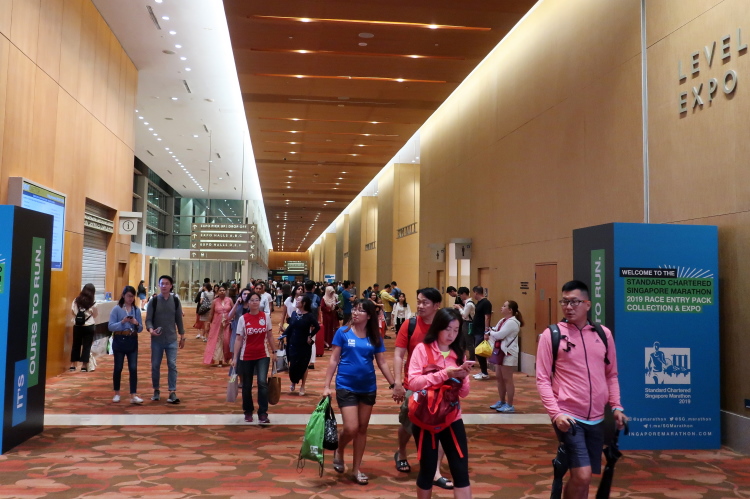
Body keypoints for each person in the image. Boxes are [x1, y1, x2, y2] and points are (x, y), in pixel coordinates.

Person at [536, 280, 628, 498]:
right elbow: (542, 379)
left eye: (574, 302)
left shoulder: (603, 334)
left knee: (584, 479)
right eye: (564, 302)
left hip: (596, 418)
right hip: (569, 418)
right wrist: (556, 413)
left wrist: (616, 406)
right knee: (583, 475)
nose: (568, 307)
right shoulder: (552, 335)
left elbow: (611, 374)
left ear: (587, 304)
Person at [322, 299, 396, 485]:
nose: (355, 313)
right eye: (354, 309)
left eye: (360, 310)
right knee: (351, 427)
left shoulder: (374, 336)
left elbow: (382, 362)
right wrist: (326, 385)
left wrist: (394, 384)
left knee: (362, 429)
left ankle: (356, 469)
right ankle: (339, 449)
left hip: (368, 387)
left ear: (369, 316)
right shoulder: (343, 332)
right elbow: (333, 359)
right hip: (346, 385)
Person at [392, 287, 453, 489]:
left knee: (441, 426)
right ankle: (401, 452)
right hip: (414, 384)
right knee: (408, 424)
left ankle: (435, 470)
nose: (420, 306)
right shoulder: (410, 325)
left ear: (436, 305)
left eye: (425, 302)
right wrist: (398, 383)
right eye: (418, 301)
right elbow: (399, 354)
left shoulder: (444, 326)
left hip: (441, 386)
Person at [408, 308, 472, 499]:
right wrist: (445, 374)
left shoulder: (458, 354)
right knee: (427, 469)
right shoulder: (423, 349)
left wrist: (463, 377)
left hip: (451, 416)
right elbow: (413, 383)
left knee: (460, 469)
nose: (451, 334)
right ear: (437, 328)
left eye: (456, 330)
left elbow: (464, 393)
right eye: (447, 329)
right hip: (425, 416)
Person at [232, 292, 276, 424]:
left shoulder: (265, 317)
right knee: (247, 385)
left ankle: (263, 413)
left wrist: (274, 352)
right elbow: (238, 339)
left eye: (257, 300)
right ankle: (248, 411)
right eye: (252, 300)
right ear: (248, 303)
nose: (255, 302)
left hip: (263, 355)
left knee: (262, 382)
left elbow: (270, 336)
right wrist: (235, 357)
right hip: (246, 355)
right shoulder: (243, 319)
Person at [145, 275, 186, 404]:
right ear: (159, 285)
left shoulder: (175, 301)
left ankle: (172, 392)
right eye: (162, 283)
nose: (164, 286)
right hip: (157, 340)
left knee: (172, 365)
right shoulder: (154, 301)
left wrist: (182, 335)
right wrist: (151, 329)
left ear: (171, 286)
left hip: (171, 339)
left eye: (166, 283)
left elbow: (179, 319)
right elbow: (148, 319)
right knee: (155, 365)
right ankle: (156, 390)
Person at [108, 285, 144, 404]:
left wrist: (136, 323)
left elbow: (140, 328)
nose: (130, 299)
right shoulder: (116, 309)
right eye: (128, 296)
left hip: (132, 339)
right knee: (118, 367)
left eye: (132, 296)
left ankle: (133, 395)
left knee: (133, 368)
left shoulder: (136, 310)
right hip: (119, 339)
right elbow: (110, 326)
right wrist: (122, 322)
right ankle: (117, 393)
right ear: (123, 296)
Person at [485, 300, 523, 413]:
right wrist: (492, 332)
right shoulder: (502, 320)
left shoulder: (513, 322)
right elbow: (495, 330)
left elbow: (499, 335)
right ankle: (501, 401)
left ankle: (509, 404)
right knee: (499, 378)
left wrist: (490, 333)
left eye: (504, 306)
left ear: (510, 310)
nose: (501, 307)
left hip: (508, 353)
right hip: (500, 352)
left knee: (507, 379)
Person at [285, 294, 320, 396]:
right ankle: (293, 381)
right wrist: (283, 335)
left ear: (304, 303)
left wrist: (310, 336)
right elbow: (290, 327)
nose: (296, 302)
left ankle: (302, 386)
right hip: (293, 342)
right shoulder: (294, 314)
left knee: (303, 365)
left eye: (298, 300)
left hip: (304, 344)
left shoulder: (309, 316)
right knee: (293, 364)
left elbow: (317, 327)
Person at [70, 283, 98, 372]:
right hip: (89, 326)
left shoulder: (76, 300)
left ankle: (72, 365)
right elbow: (95, 315)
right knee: (87, 346)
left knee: (75, 345)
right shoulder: (93, 303)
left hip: (77, 326)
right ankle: (84, 366)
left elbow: (73, 311)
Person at [203, 285, 233, 366]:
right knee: (218, 341)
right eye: (220, 290)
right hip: (217, 325)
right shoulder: (215, 301)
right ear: (217, 292)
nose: (222, 292)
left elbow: (233, 311)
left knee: (227, 340)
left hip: (227, 324)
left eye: (223, 290)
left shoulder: (229, 300)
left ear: (226, 291)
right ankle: (220, 360)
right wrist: (208, 323)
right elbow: (211, 313)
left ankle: (227, 357)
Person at [470, 286, 492, 380]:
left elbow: (487, 317)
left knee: (479, 351)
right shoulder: (479, 303)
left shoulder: (486, 303)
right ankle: (483, 371)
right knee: (478, 351)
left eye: (473, 293)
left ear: (476, 292)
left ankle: (485, 372)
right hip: (476, 330)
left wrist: (486, 331)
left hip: (481, 330)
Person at [320, 285, 339, 350]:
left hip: (334, 316)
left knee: (334, 329)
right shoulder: (324, 298)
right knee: (327, 330)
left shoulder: (334, 298)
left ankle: (333, 344)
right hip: (327, 317)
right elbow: (322, 307)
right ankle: (327, 344)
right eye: (330, 292)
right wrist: (329, 309)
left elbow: (337, 305)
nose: (331, 294)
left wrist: (336, 306)